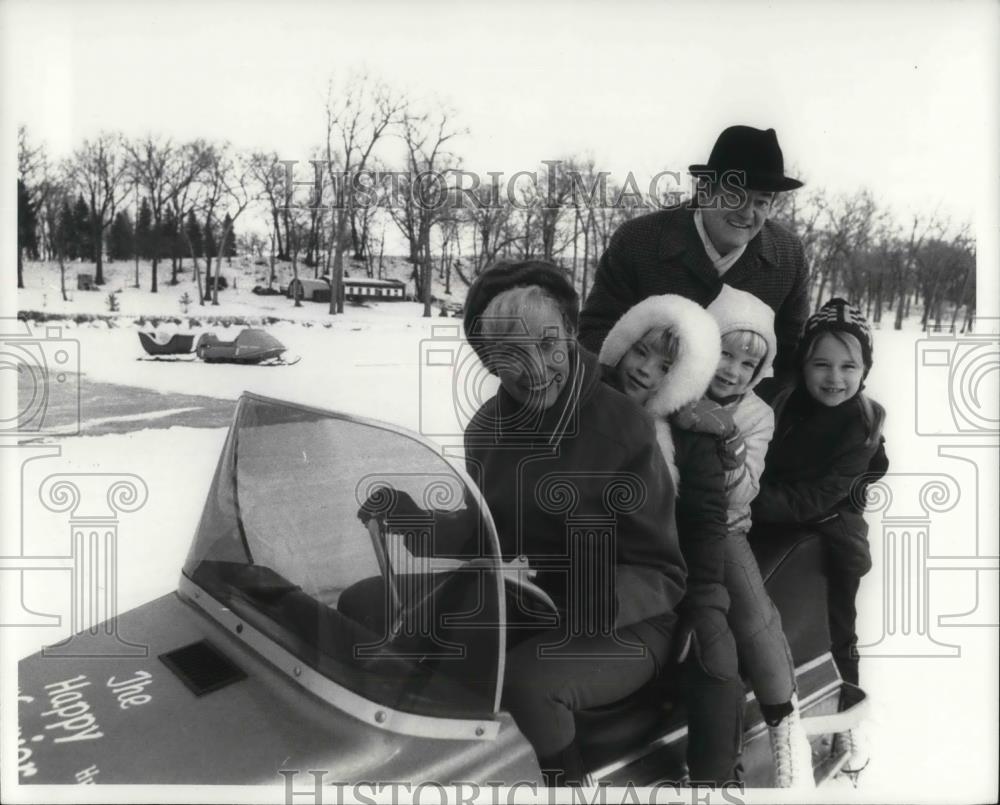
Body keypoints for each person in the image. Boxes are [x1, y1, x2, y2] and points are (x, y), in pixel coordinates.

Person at [365, 261, 688, 786]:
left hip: (626, 617)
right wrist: (409, 518)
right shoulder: (486, 429)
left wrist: (599, 598)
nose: (536, 370)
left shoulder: (621, 425)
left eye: (547, 344)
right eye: (512, 354)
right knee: (390, 620)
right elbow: (482, 533)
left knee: (527, 683)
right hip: (530, 597)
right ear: (487, 360)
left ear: (569, 333)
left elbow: (662, 570)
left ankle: (566, 787)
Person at [597, 293, 745, 785]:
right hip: (587, 566)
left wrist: (705, 600)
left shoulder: (690, 435)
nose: (645, 370)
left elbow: (704, 522)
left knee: (715, 659)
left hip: (669, 573)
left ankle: (716, 779)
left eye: (666, 366)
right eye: (641, 352)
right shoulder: (582, 402)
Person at [751, 298, 889, 778]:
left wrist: (746, 497)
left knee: (835, 627)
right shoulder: (780, 401)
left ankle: (842, 720)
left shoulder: (862, 425)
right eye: (821, 363)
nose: (835, 377)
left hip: (831, 537)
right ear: (802, 364)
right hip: (767, 528)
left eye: (849, 366)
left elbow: (816, 499)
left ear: (864, 369)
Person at [578, 125, 810, 388]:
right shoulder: (638, 241)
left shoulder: (789, 258)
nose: (747, 213)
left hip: (736, 417)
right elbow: (596, 331)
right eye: (735, 196)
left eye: (761, 202)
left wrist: (750, 415)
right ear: (704, 191)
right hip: (638, 406)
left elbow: (790, 357)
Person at [704, 286, 814, 788]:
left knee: (752, 615)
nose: (732, 370)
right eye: (724, 352)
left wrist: (725, 443)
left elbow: (743, 489)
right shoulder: (672, 384)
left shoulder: (754, 415)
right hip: (658, 522)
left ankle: (784, 722)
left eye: (747, 364)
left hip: (720, 526)